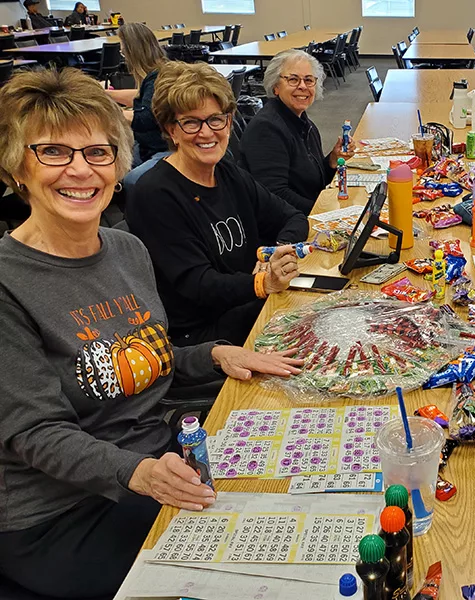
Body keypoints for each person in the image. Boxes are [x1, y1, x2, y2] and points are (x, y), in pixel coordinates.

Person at [0, 67, 305, 598]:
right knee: (240, 578)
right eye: (53, 152)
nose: (80, 170)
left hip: (155, 455)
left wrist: (214, 354)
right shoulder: (9, 282)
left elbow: (143, 356)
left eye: (97, 152)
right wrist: (137, 472)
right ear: (16, 166)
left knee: (296, 502)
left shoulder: (125, 250)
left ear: (117, 164)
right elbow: (35, 433)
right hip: (60, 511)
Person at [127, 61, 310, 347]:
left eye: (216, 119)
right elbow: (197, 284)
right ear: (170, 129)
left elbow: (293, 218)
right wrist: (262, 283)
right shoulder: (154, 194)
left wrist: (274, 257)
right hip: (204, 334)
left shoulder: (227, 172)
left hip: (246, 305)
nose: (207, 133)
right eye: (190, 122)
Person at [240, 49, 355, 216]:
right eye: (293, 79)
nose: (302, 86)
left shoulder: (302, 121)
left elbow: (310, 181)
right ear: (276, 87)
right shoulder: (267, 128)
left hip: (303, 213)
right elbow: (275, 195)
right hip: (283, 226)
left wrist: (332, 161)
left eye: (309, 80)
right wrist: (323, 211)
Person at [107, 22, 169, 166]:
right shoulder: (161, 69)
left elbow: (144, 118)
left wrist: (106, 110)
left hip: (158, 149)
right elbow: (141, 96)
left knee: (119, 170)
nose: (124, 58)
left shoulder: (157, 77)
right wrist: (105, 94)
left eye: (124, 53)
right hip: (151, 145)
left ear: (133, 53)